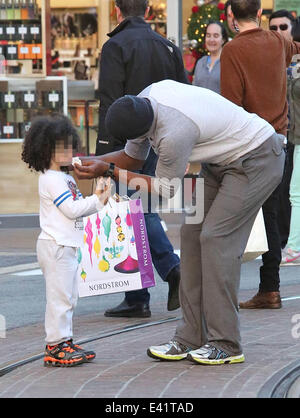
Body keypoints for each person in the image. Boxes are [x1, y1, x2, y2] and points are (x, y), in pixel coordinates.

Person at [74, 79, 285, 365]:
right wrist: (89, 162)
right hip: (220, 163)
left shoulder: (174, 134)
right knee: (191, 235)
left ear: (144, 130)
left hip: (258, 158)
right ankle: (189, 337)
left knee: (215, 239)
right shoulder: (143, 100)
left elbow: (165, 189)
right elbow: (131, 158)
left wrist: (109, 170)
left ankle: (226, 343)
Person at [95, 0, 188, 318]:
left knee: (132, 213)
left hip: (128, 142)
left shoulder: (115, 46)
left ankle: (168, 273)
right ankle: (137, 294)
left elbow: (109, 100)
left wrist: (103, 154)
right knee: (140, 211)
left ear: (117, 11)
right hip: (164, 138)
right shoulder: (168, 47)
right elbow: (184, 95)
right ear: (148, 11)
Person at [220, 0, 300, 310]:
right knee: (272, 213)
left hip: (247, 143)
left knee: (233, 217)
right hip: (278, 143)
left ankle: (241, 289)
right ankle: (270, 287)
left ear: (231, 17)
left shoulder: (232, 51)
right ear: (260, 14)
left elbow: (230, 105)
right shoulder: (278, 42)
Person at [21, 114, 110, 367]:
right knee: (60, 297)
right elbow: (71, 209)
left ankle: (64, 341)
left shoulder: (65, 177)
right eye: (65, 146)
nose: (72, 151)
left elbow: (76, 209)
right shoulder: (51, 179)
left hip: (66, 244)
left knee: (69, 296)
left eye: (72, 145)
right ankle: (55, 345)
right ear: (47, 148)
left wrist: (97, 199)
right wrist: (98, 200)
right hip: (56, 245)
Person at [269, 9, 296, 252]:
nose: (278, 32)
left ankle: (290, 242)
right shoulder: (267, 59)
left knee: (291, 192)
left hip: (296, 136)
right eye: (273, 28)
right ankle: (280, 242)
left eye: (283, 27)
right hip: (276, 136)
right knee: (278, 190)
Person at [281, 17, 300, 265]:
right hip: (294, 135)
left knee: (296, 192)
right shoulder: (293, 63)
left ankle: (295, 245)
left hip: (296, 135)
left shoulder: (294, 63)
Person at [193, 21, 228, 93]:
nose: (211, 40)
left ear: (223, 40)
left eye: (216, 36)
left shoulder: (228, 63)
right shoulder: (200, 62)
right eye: (208, 35)